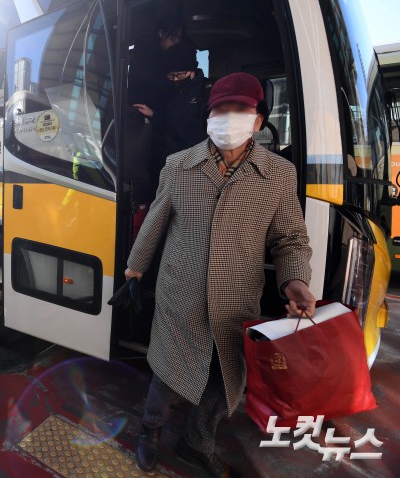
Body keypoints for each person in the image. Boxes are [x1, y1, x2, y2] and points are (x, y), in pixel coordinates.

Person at [126, 73, 315, 476]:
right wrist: (134, 271)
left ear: (258, 121)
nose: (229, 118)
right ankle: (150, 430)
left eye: (240, 110)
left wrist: (294, 280)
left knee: (223, 379)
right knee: (167, 374)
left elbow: (291, 239)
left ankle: (198, 443)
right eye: (220, 110)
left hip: (236, 302)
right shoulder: (179, 166)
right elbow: (155, 224)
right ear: (208, 117)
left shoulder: (279, 175)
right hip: (182, 295)